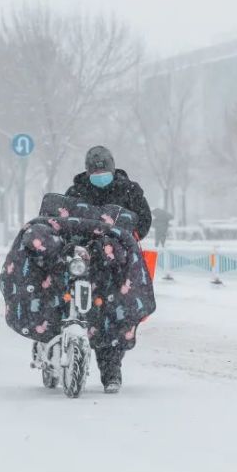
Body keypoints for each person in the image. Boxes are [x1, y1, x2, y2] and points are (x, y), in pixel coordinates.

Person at [64, 146, 152, 393]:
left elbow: (143, 219)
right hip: (83, 259)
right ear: (88, 170)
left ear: (113, 168)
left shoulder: (130, 191)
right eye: (95, 170)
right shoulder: (76, 191)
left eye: (104, 170)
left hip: (116, 264)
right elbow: (62, 218)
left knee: (113, 317)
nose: (100, 175)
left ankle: (111, 370)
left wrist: (131, 235)